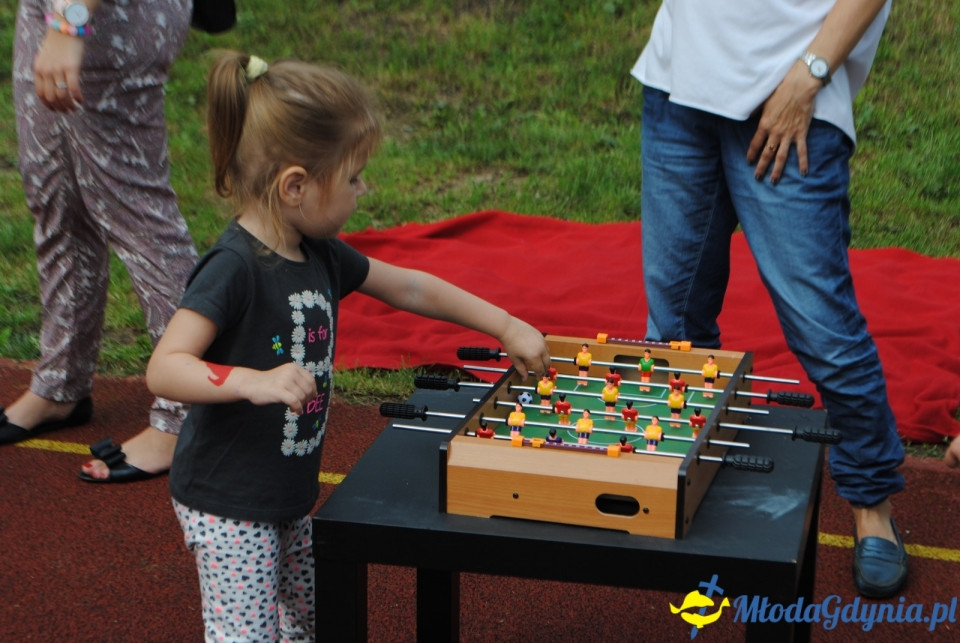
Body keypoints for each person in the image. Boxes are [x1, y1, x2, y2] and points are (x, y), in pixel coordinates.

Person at [144, 52, 550, 642]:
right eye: (354, 176)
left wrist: (505, 324)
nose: (366, 189)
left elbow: (410, 286)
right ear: (295, 186)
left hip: (287, 496)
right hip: (227, 505)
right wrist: (251, 381)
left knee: (319, 618)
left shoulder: (321, 253)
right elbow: (165, 367)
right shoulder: (232, 268)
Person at [632, 0, 907, 597]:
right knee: (675, 320)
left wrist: (809, 75)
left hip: (793, 97)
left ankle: (871, 503)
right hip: (678, 86)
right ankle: (685, 478)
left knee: (823, 332)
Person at [2, 0, 198, 483]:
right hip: (49, 11)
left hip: (106, 17)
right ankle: (60, 385)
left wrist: (70, 22)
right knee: (58, 200)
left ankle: (190, 410)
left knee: (139, 218)